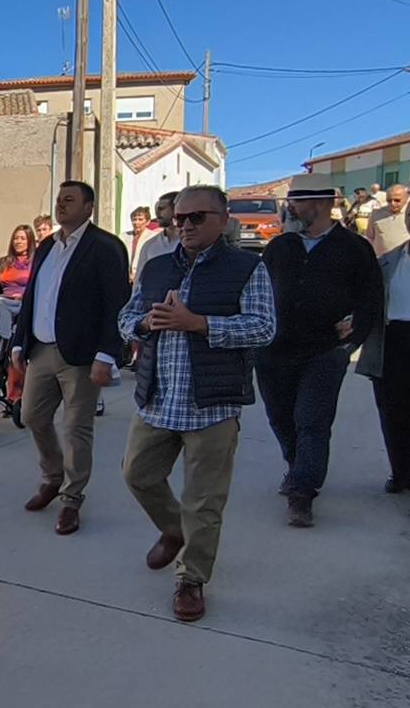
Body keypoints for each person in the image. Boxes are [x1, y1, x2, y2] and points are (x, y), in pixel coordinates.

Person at [118, 185, 277, 622]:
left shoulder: (247, 268)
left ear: (222, 220)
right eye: (178, 219)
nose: (184, 225)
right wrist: (146, 322)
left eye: (196, 217)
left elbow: (263, 328)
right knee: (138, 475)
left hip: (212, 405)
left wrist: (199, 324)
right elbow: (126, 318)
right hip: (158, 399)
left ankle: (191, 580)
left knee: (203, 500)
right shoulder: (154, 267)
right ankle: (174, 531)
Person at [258, 178, 382, 527]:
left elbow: (371, 298)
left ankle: (303, 492)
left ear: (324, 204)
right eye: (291, 201)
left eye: (298, 201)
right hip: (274, 349)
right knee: (281, 417)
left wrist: (353, 334)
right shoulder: (279, 246)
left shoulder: (354, 247)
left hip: (325, 350)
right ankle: (298, 467)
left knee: (312, 420)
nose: (291, 207)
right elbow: (259, 292)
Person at [12, 181, 130, 535]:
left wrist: (107, 354)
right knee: (32, 416)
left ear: (88, 208)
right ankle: (52, 476)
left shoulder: (106, 247)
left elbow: (117, 305)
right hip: (42, 348)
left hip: (82, 355)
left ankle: (71, 498)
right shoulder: (47, 246)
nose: (61, 206)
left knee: (77, 428)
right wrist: (19, 342)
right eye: (59, 200)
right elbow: (33, 295)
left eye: (69, 200)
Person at [356, 236, 410, 493]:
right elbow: (367, 301)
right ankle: (401, 472)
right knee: (393, 411)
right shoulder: (388, 261)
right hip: (393, 341)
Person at [0, 225, 37, 404]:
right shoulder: (4, 262)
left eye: (23, 238)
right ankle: (10, 394)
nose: (18, 242)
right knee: (2, 355)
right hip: (4, 307)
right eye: (16, 238)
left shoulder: (35, 262)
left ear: (30, 241)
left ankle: (20, 397)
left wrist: (24, 297)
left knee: (18, 353)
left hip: (25, 310)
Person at [136, 192, 181, 270]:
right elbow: (139, 280)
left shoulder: (191, 243)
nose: (157, 213)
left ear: (175, 209)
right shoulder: (150, 245)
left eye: (161, 209)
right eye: (156, 209)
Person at [367, 184, 409, 257]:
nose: (392, 203)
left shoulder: (408, 214)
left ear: (406, 198)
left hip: (404, 261)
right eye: (389, 200)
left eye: (397, 200)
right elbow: (370, 237)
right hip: (382, 261)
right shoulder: (376, 214)